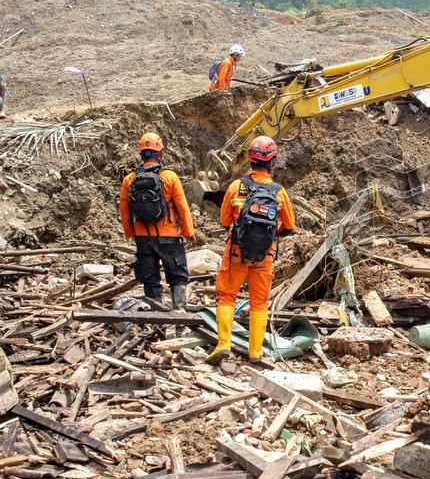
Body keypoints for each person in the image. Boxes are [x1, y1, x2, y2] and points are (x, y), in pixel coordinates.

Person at [208, 136, 296, 365]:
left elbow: (225, 220)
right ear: (272, 161)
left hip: (236, 251)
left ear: (250, 159)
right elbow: (289, 226)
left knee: (227, 296)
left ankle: (224, 344)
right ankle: (255, 352)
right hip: (264, 255)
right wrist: (272, 236)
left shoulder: (236, 187)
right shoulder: (279, 192)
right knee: (259, 302)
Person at [118, 133, 195, 310]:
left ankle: (155, 315)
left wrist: (130, 232)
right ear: (160, 153)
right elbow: (182, 207)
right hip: (168, 236)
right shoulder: (169, 177)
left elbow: (125, 210)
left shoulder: (129, 179)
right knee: (177, 276)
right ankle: (180, 312)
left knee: (150, 278)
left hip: (142, 236)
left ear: (141, 154)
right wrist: (188, 232)